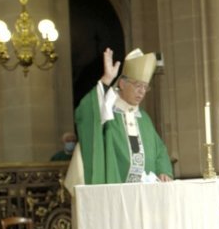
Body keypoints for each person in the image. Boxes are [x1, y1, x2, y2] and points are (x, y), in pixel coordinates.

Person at [66, 47, 173, 187]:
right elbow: (86, 115)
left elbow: (159, 150)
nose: (141, 92)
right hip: (114, 189)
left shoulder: (144, 118)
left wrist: (163, 170)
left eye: (145, 87)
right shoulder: (108, 112)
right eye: (137, 85)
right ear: (122, 84)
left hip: (145, 191)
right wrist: (106, 80)